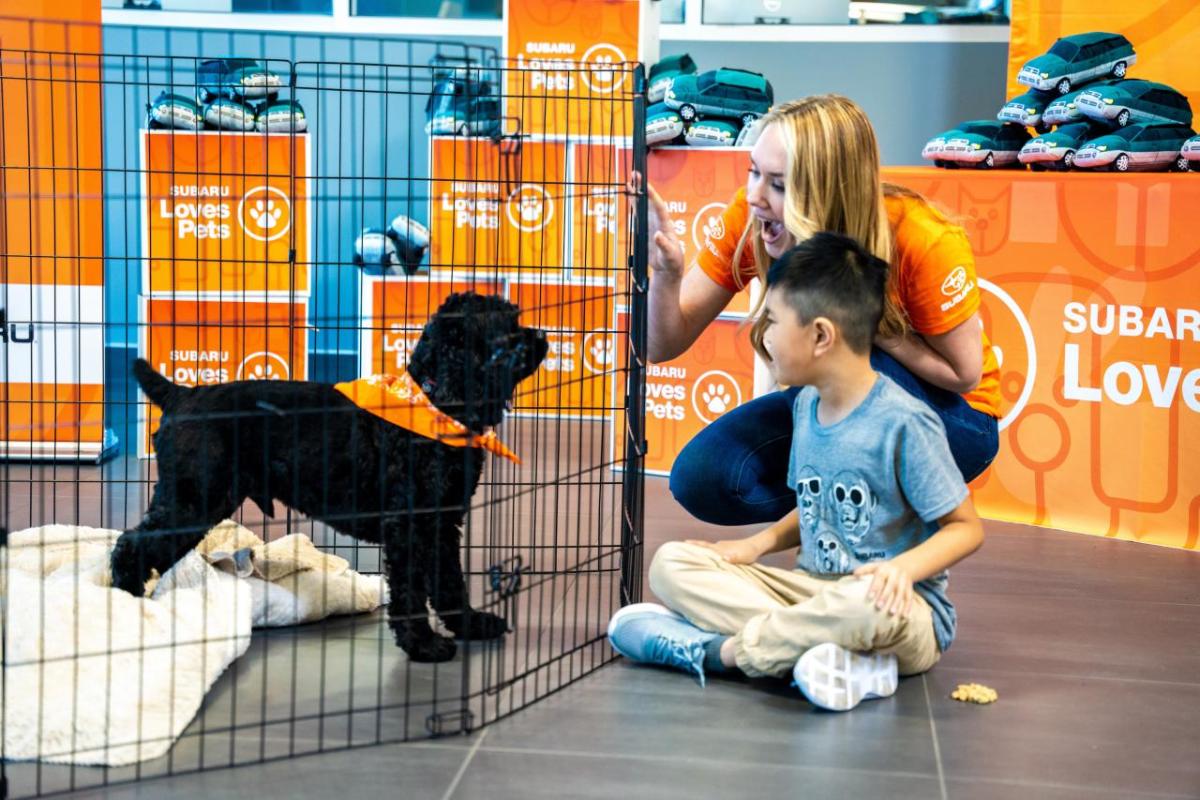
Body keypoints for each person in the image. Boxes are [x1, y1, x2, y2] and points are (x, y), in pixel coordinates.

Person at [607, 232, 984, 711]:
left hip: (898, 607)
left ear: (821, 335)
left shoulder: (905, 423)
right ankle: (828, 656)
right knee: (673, 564)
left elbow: (966, 529)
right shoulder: (807, 407)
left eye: (775, 322)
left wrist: (900, 570)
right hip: (814, 593)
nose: (763, 336)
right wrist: (755, 545)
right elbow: (814, 504)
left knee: (863, 603)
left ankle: (719, 652)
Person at [642, 94, 1000, 526]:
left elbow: (964, 375)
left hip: (956, 422)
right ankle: (836, 500)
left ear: (829, 189)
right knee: (703, 477)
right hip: (824, 401)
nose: (755, 196)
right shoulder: (752, 217)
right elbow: (661, 346)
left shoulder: (924, 236)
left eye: (778, 184)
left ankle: (872, 522)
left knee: (832, 353)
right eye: (753, 172)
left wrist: (870, 320)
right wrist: (667, 275)